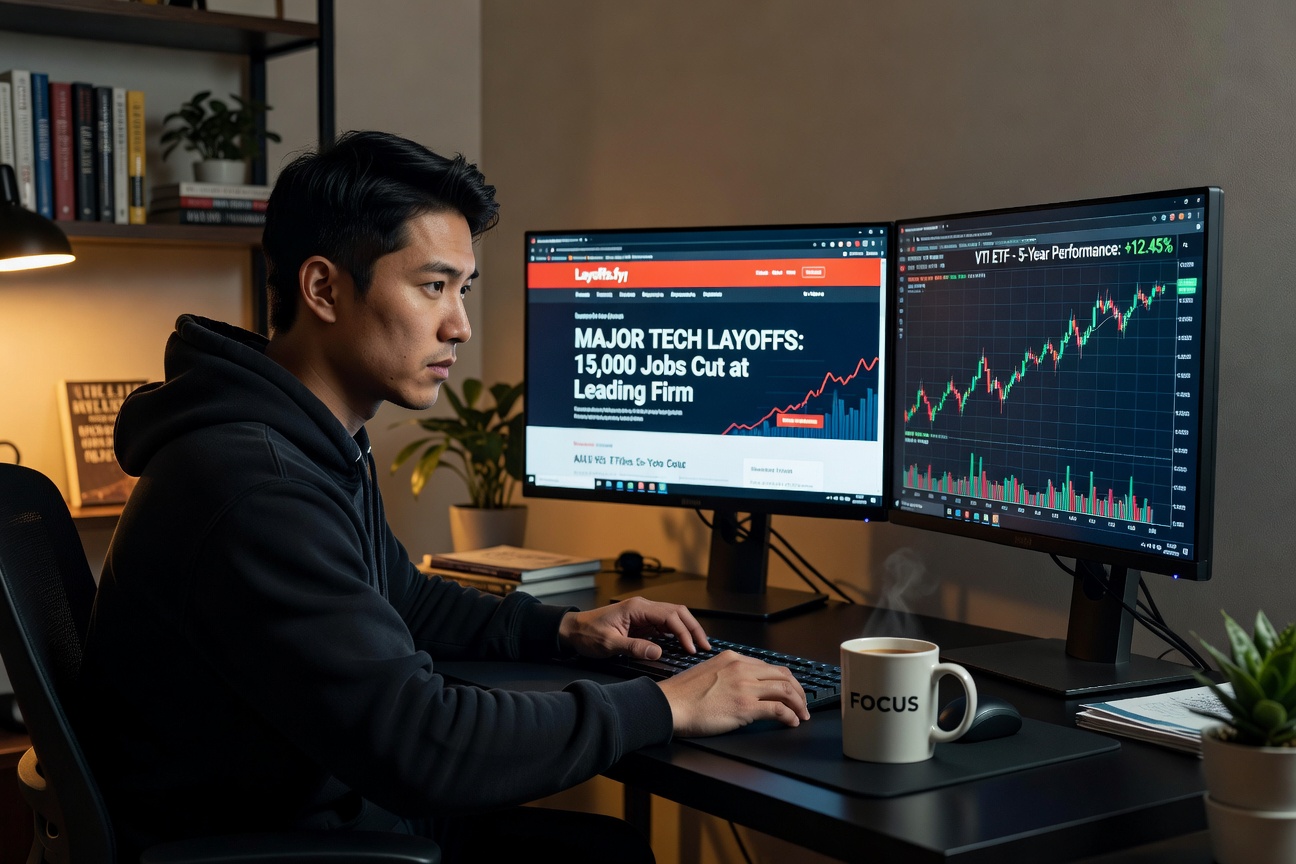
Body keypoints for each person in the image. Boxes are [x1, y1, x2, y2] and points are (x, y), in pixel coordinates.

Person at [79, 131, 809, 863]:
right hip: (288, 840)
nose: (458, 324)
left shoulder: (304, 441)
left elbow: (401, 598)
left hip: (323, 808)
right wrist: (669, 703)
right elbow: (424, 744)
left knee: (600, 848)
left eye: (462, 290)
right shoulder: (256, 484)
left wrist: (565, 632)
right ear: (324, 289)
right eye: (433, 287)